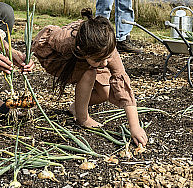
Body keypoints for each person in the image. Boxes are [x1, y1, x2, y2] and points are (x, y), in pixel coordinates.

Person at [32, 8, 148, 147]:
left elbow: (122, 82)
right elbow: (44, 37)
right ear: (82, 50)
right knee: (89, 72)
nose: (105, 63)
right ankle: (82, 118)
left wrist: (134, 127)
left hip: (88, 57)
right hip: (64, 60)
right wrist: (28, 58)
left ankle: (75, 107)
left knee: (105, 93)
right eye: (100, 59)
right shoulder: (64, 40)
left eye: (108, 57)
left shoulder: (107, 48)